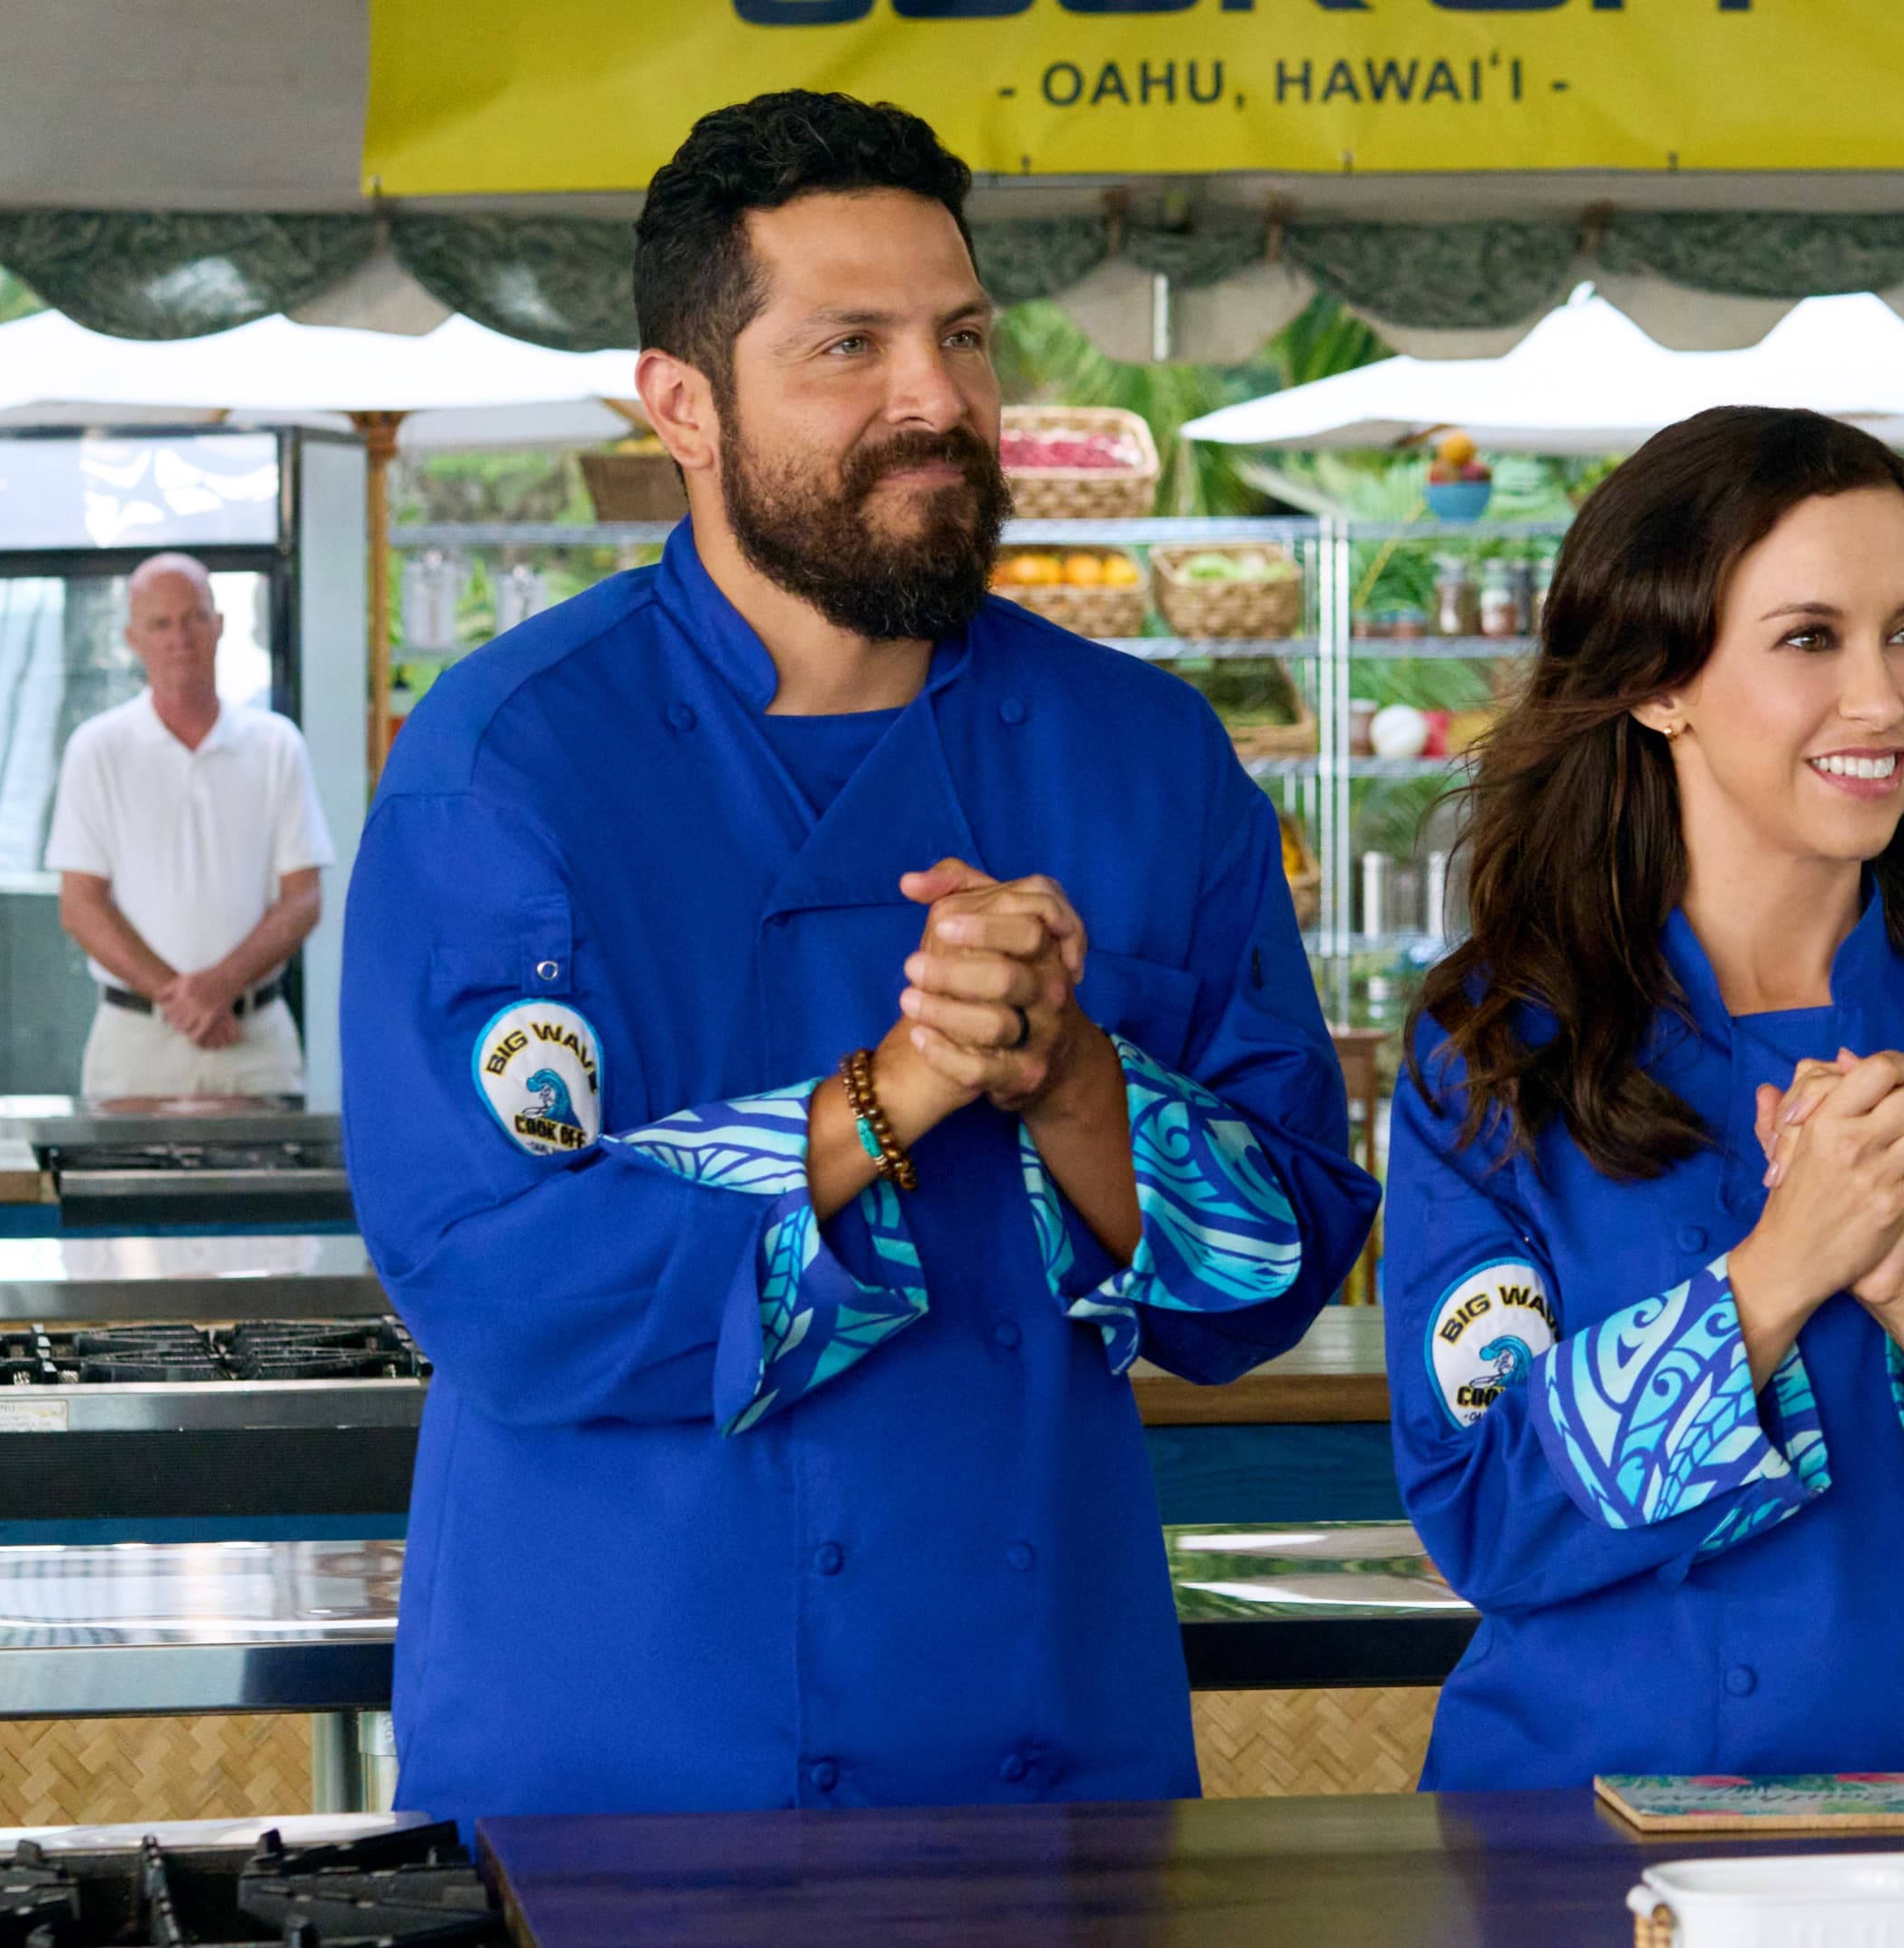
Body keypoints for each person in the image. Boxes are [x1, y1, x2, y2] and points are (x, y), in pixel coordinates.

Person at [338, 91, 1375, 1822]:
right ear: (681, 404)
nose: (938, 399)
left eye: (963, 336)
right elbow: (499, 1288)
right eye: (851, 345)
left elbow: (1272, 1277)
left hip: (1042, 1752)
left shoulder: (1143, 759)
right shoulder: (513, 767)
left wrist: (1075, 1082)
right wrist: (888, 1097)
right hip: (621, 1759)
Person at [1381, 407, 1904, 1789]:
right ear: (1658, 683)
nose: (1885, 699)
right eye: (1809, 638)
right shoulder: (1496, 1047)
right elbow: (1484, 1512)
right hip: (1595, 1820)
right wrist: (1780, 1269)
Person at [47, 553, 332, 1100]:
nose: (180, 638)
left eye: (194, 618)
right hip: (135, 1045)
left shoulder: (277, 745)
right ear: (132, 638)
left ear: (219, 624)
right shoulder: (97, 749)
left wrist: (221, 986)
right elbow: (80, 905)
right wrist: (185, 1000)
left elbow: (304, 899)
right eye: (160, 623)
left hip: (255, 1041)